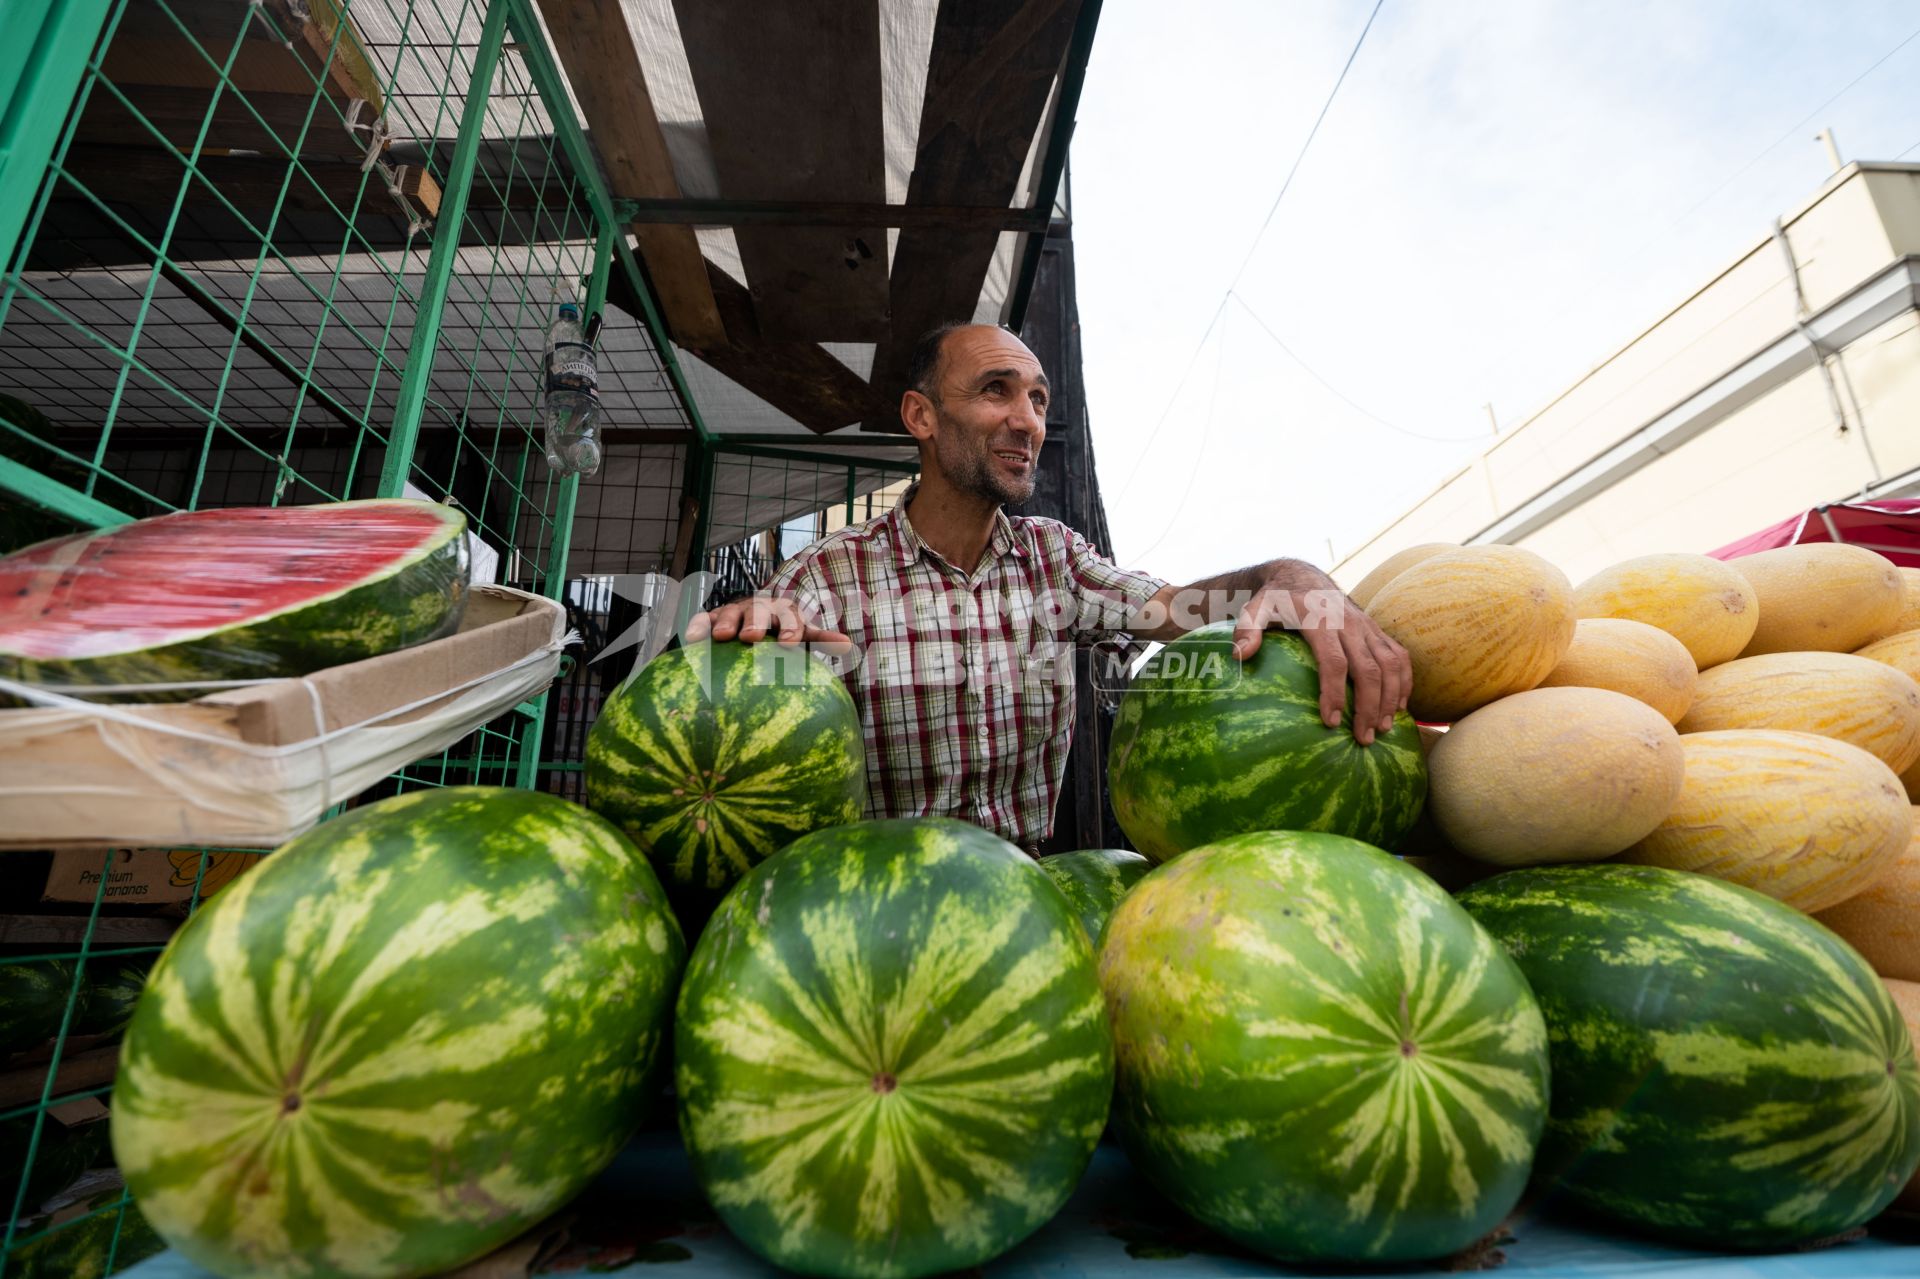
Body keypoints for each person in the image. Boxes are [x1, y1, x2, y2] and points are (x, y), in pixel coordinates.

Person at [686, 322, 1412, 852]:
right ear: (922, 416)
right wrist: (752, 637)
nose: (1027, 420)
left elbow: (1178, 611)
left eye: (1037, 398)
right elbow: (747, 700)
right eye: (996, 391)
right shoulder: (825, 573)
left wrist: (1289, 577)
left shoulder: (1054, 559)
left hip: (1024, 898)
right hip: (871, 908)